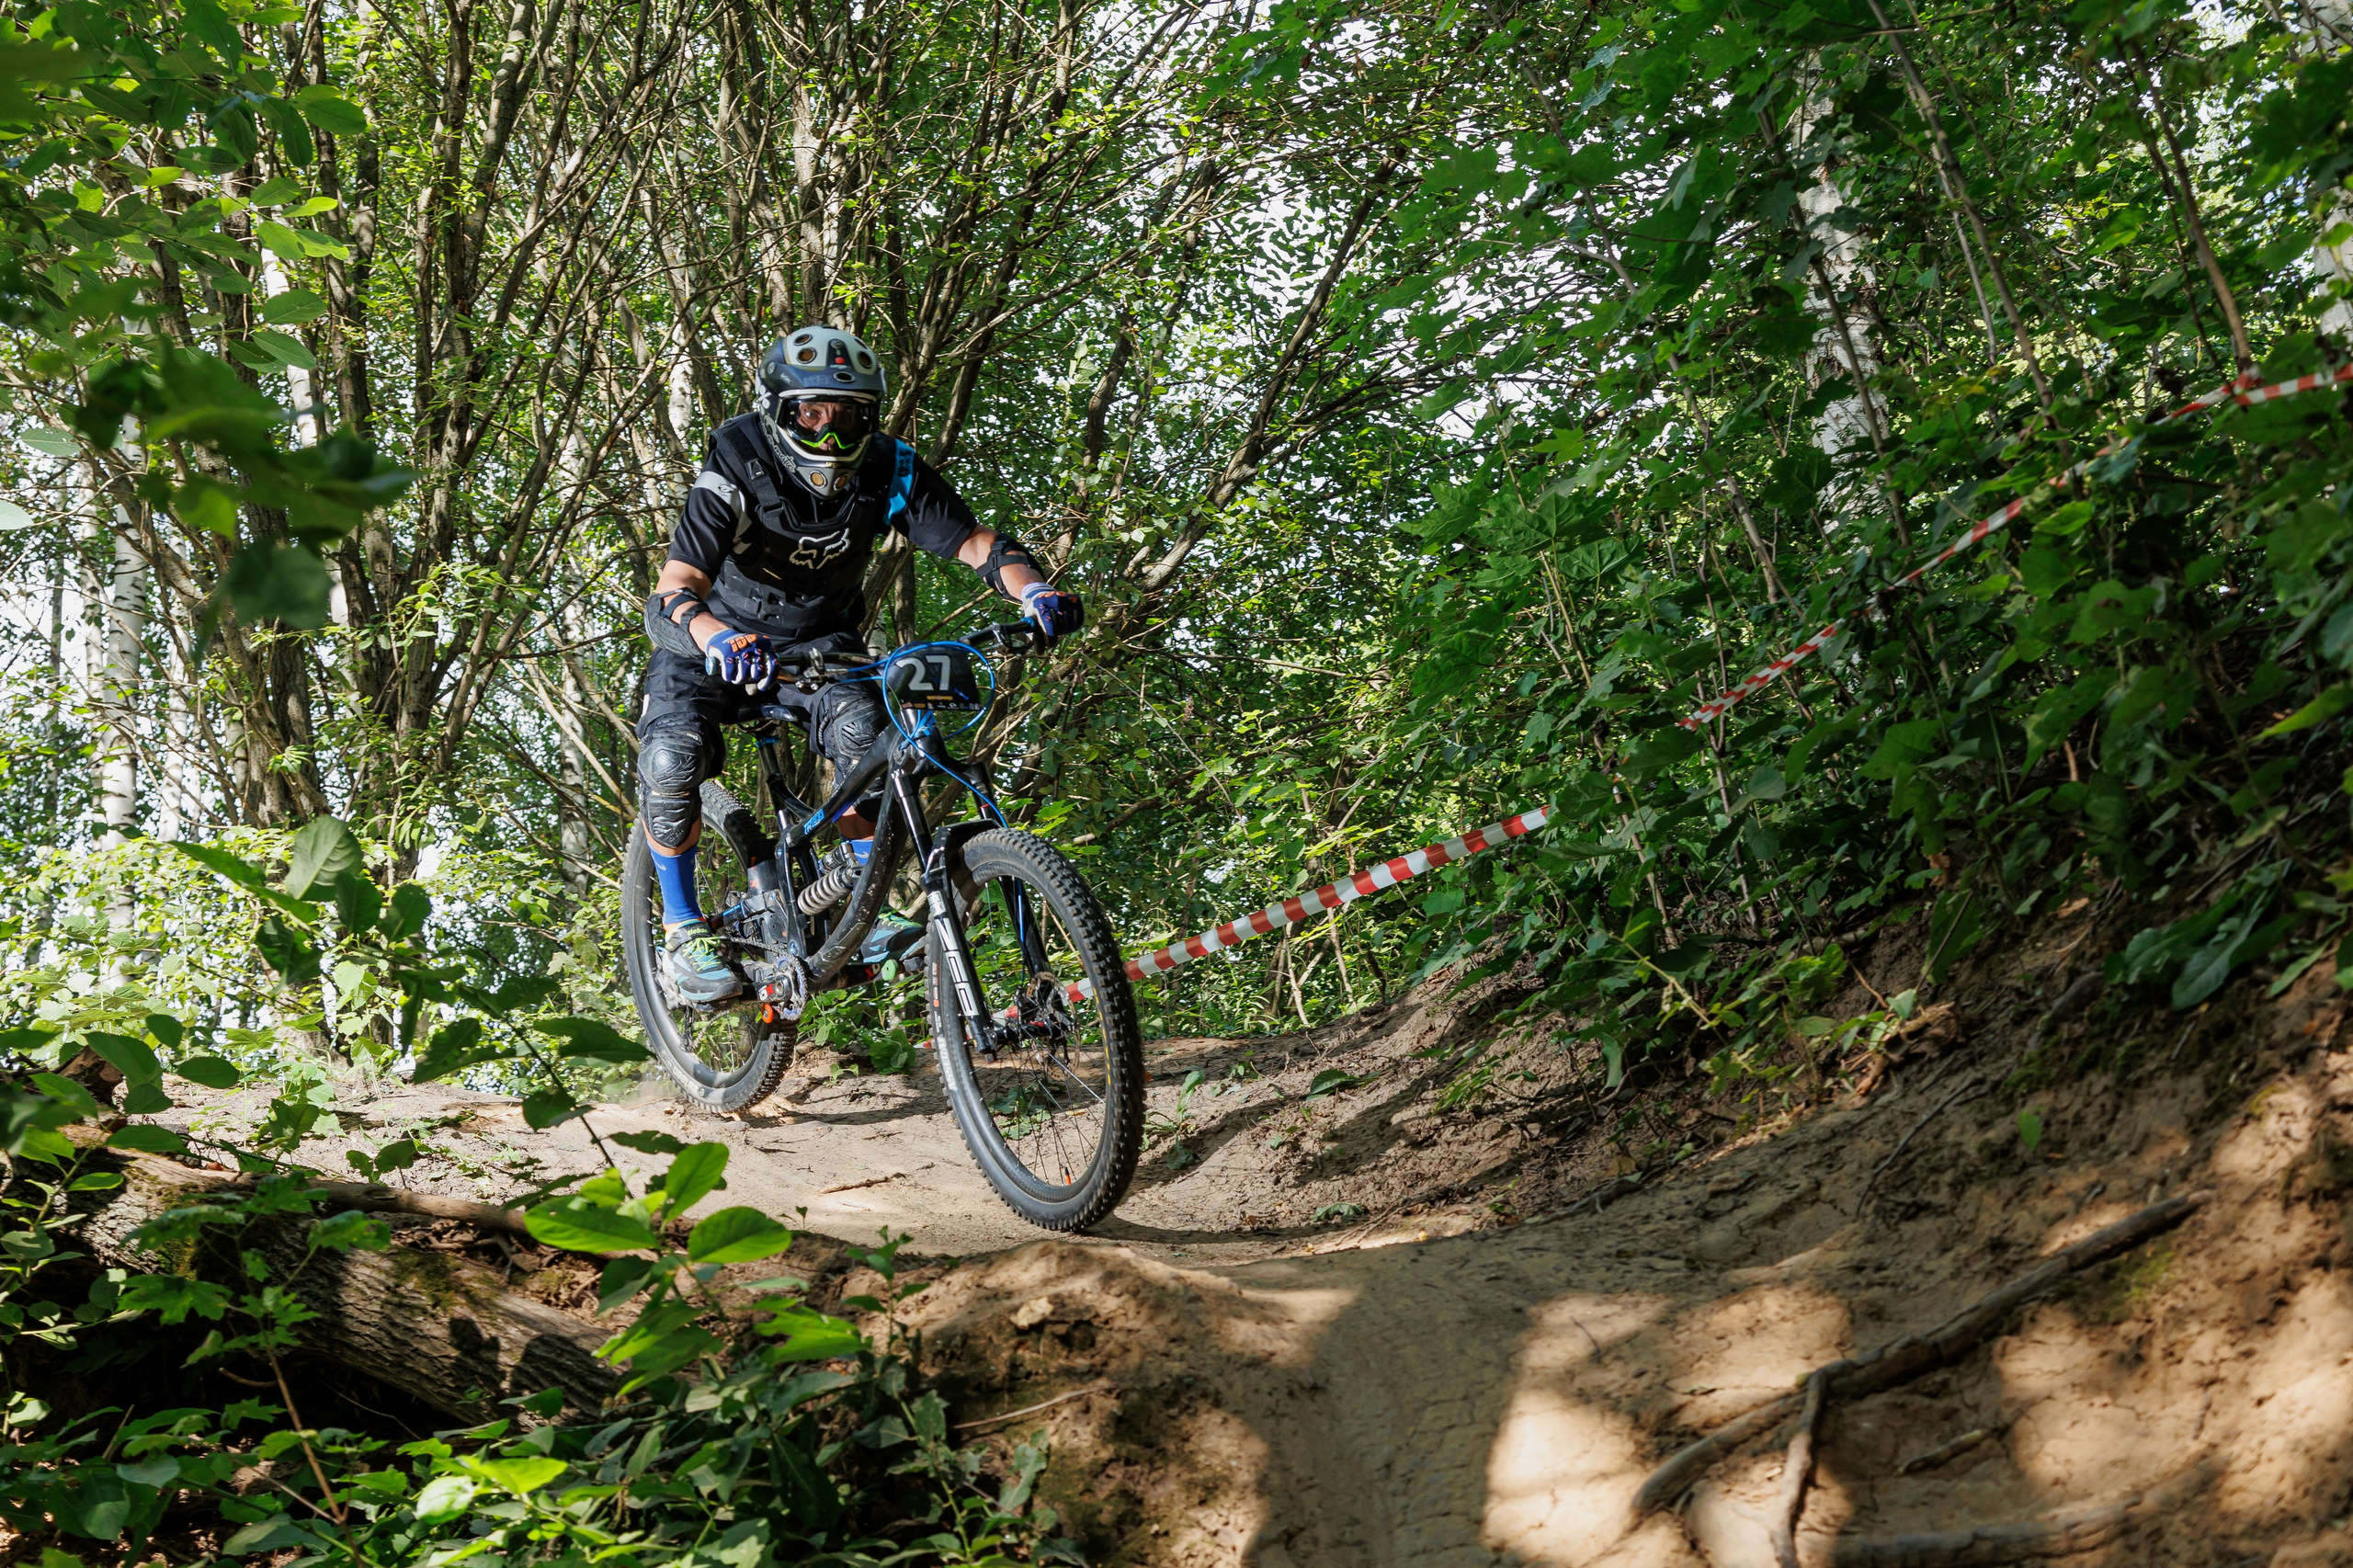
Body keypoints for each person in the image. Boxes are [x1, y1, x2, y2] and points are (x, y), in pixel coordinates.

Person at [640, 324, 1083, 1005]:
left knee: (870, 737)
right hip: (711, 644)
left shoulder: (888, 468)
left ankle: (858, 906)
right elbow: (677, 584)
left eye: (848, 418)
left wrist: (1033, 588)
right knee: (672, 760)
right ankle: (680, 930)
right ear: (776, 409)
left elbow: (971, 539)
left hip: (819, 646)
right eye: (811, 413)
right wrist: (714, 636)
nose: (829, 434)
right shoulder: (737, 457)